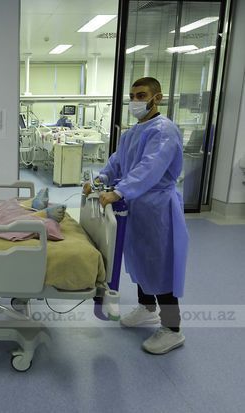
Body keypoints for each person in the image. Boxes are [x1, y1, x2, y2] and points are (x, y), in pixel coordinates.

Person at [83, 77, 189, 355]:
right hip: (136, 206)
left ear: (157, 98)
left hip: (157, 208)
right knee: (140, 259)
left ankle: (173, 329)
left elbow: (150, 167)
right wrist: (99, 180)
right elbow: (117, 162)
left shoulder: (164, 131)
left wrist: (119, 191)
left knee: (160, 265)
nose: (135, 101)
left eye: (141, 95)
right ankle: (147, 307)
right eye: (132, 96)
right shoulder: (133, 133)